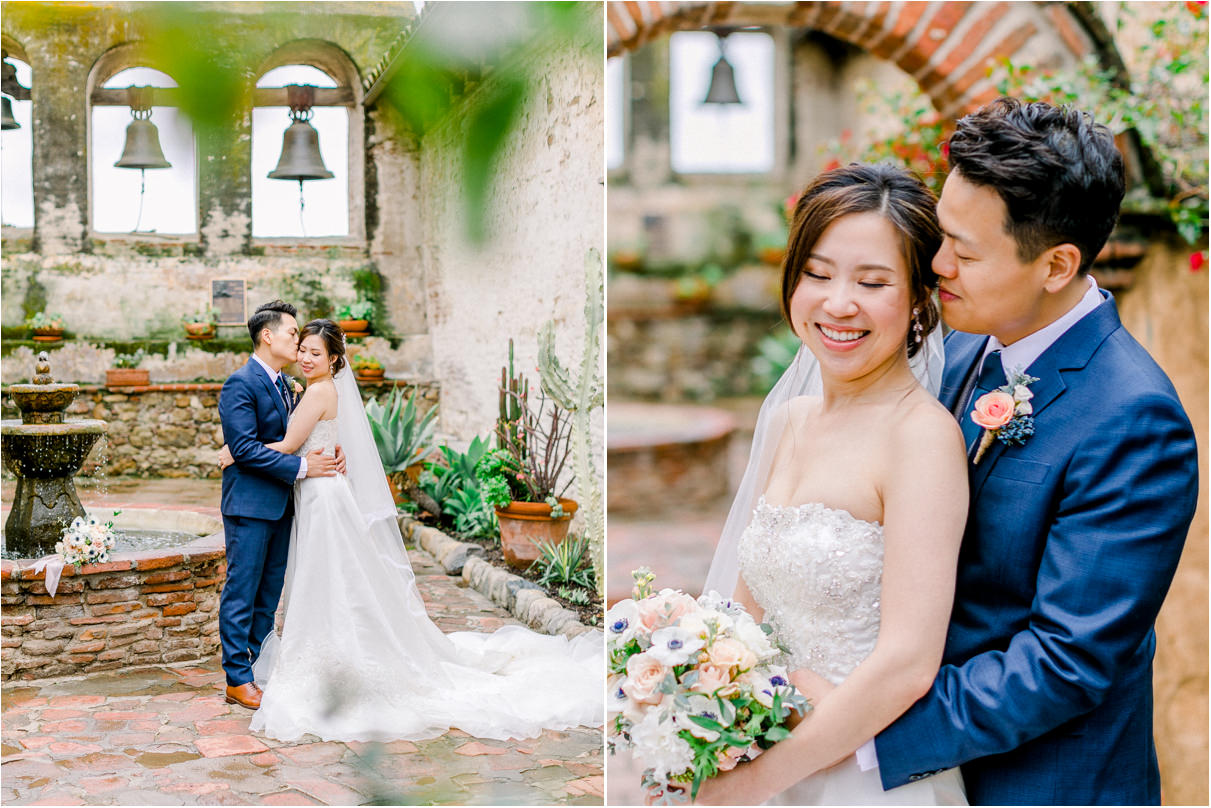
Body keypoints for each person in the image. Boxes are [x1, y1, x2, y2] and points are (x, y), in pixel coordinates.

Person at [868, 98, 1198, 806]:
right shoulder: (957, 349)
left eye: (965, 249)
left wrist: (864, 737)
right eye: (941, 234)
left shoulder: (1134, 420)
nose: (936, 262)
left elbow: (1065, 661)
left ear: (1055, 265)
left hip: (1040, 785)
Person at [691, 162, 971, 804]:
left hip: (864, 774)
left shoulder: (920, 437)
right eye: (817, 274)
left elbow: (906, 665)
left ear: (918, 297)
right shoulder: (788, 420)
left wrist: (757, 782)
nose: (838, 303)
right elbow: (737, 621)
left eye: (873, 282)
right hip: (762, 746)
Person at [218, 319, 602, 742]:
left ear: (332, 359)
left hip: (320, 494)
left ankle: (323, 659)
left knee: (322, 578)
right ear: (270, 337)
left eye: (313, 351)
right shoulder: (278, 385)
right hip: (308, 492)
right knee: (300, 580)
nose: (303, 354)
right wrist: (268, 453)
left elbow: (288, 444)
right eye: (299, 344)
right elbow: (296, 440)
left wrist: (236, 454)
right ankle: (250, 671)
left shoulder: (314, 390)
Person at [216, 300, 344, 710]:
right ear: (267, 336)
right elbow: (247, 450)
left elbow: (300, 433)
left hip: (283, 504)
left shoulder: (287, 385)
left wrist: (332, 452)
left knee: (268, 594)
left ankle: (256, 662)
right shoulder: (241, 383)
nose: (298, 340)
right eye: (292, 333)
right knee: (242, 590)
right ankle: (236, 677)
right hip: (250, 505)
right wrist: (305, 465)